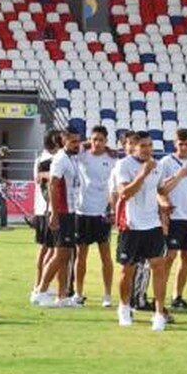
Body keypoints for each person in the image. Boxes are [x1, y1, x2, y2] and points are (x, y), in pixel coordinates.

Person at [113, 131, 172, 331]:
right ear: (134, 146)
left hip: (152, 224)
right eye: (143, 146)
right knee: (126, 270)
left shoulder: (158, 166)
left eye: (150, 145)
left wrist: (165, 202)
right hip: (131, 225)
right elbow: (125, 193)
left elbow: (161, 190)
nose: (147, 149)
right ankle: (123, 307)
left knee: (158, 267)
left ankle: (158, 313)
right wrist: (143, 173)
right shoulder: (124, 165)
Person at [35, 128, 83, 308]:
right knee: (60, 253)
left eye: (78, 141)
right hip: (61, 212)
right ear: (63, 142)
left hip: (70, 211)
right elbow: (53, 186)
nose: (76, 145)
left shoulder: (72, 157)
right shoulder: (61, 159)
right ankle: (41, 290)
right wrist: (54, 212)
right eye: (72, 142)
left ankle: (61, 295)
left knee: (66, 254)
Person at [159, 128, 187, 310]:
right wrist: (178, 176)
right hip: (174, 216)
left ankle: (177, 296)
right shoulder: (166, 163)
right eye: (181, 144)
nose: (184, 147)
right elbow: (160, 190)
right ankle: (159, 294)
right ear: (174, 144)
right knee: (169, 256)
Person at [74, 126, 116, 308]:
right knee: (80, 255)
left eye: (101, 140)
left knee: (105, 255)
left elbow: (114, 188)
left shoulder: (113, 159)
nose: (97, 143)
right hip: (82, 212)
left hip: (102, 214)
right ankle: (78, 293)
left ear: (106, 141)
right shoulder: (81, 155)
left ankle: (107, 295)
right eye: (94, 139)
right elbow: (70, 147)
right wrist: (85, 143)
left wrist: (112, 209)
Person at [29, 130, 61, 304]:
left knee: (45, 249)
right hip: (47, 209)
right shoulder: (48, 160)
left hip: (42, 209)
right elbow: (45, 184)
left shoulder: (41, 158)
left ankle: (39, 285)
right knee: (50, 249)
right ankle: (41, 286)